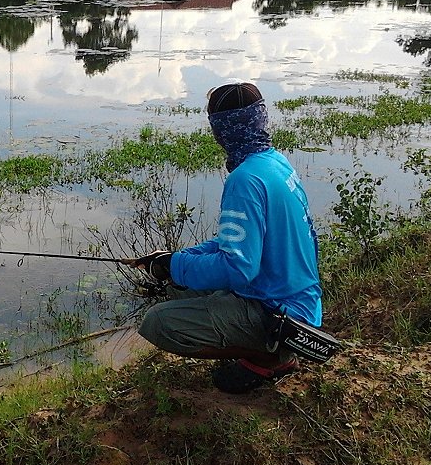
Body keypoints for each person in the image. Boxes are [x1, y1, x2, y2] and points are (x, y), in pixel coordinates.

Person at [136, 81, 322, 394]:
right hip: (301, 302)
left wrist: (173, 266)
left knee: (157, 323)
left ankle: (269, 358)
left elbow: (238, 269)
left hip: (281, 314)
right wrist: (176, 260)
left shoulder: (244, 180)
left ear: (222, 130)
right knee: (178, 288)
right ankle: (267, 349)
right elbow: (236, 245)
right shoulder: (275, 162)